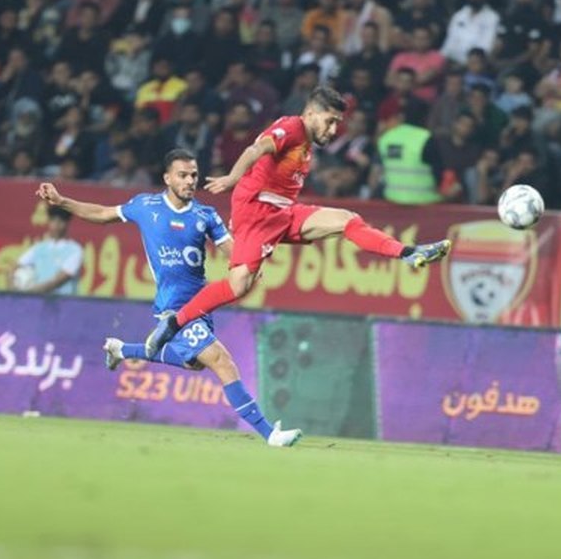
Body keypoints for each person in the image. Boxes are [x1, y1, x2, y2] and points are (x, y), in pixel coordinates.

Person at [143, 85, 451, 357]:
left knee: (347, 220)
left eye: (337, 123)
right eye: (330, 121)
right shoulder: (292, 127)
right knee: (239, 285)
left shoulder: (306, 141)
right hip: (258, 211)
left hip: (284, 211)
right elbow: (256, 148)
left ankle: (408, 253)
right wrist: (233, 177)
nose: (334, 130)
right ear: (311, 114)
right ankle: (175, 322)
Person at [36, 149, 302, 447]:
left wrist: (251, 261)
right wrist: (62, 201)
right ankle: (270, 434)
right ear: (167, 178)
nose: (190, 181)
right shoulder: (145, 206)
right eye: (183, 175)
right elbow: (101, 214)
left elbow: (235, 253)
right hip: (172, 307)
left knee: (194, 364)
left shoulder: (205, 215)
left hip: (201, 307)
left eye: (194, 175)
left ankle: (122, 350)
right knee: (222, 361)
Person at [11, 207, 83, 295]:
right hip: (39, 300)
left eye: (60, 221)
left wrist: (29, 293)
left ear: (67, 223)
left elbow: (58, 281)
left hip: (64, 301)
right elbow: (14, 267)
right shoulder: (39, 248)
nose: (56, 225)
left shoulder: (75, 250)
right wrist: (13, 292)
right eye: (53, 221)